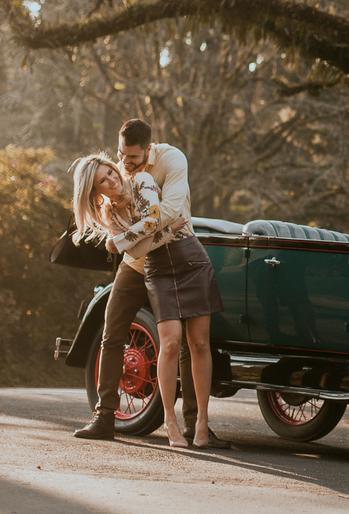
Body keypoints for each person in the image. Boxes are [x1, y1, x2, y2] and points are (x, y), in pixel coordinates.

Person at [71, 120, 230, 449]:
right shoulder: (117, 181)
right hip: (136, 266)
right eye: (119, 156)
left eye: (131, 158)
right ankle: (104, 416)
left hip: (174, 259)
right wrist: (129, 240)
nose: (122, 165)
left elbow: (168, 212)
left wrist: (121, 240)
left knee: (185, 343)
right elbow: (135, 247)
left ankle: (193, 424)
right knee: (112, 332)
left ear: (148, 149)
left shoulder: (170, 161)